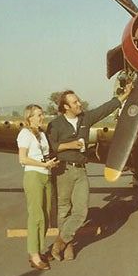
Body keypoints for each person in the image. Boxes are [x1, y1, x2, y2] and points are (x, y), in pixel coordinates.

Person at [46, 86, 132, 261]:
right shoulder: (55, 124)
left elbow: (105, 108)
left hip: (81, 170)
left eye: (78, 101)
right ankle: (69, 246)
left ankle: (59, 243)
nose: (79, 104)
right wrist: (72, 145)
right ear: (65, 107)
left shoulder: (86, 118)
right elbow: (52, 147)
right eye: (75, 102)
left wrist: (126, 95)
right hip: (63, 170)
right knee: (64, 209)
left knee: (81, 210)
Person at [17, 104, 59, 270]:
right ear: (30, 118)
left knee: (46, 215)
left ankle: (38, 250)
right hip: (33, 175)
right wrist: (43, 164)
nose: (42, 117)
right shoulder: (25, 134)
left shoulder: (41, 134)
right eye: (39, 115)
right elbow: (22, 159)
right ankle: (34, 255)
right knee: (36, 216)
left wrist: (50, 164)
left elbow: (43, 155)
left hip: (46, 175)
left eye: (42, 114)